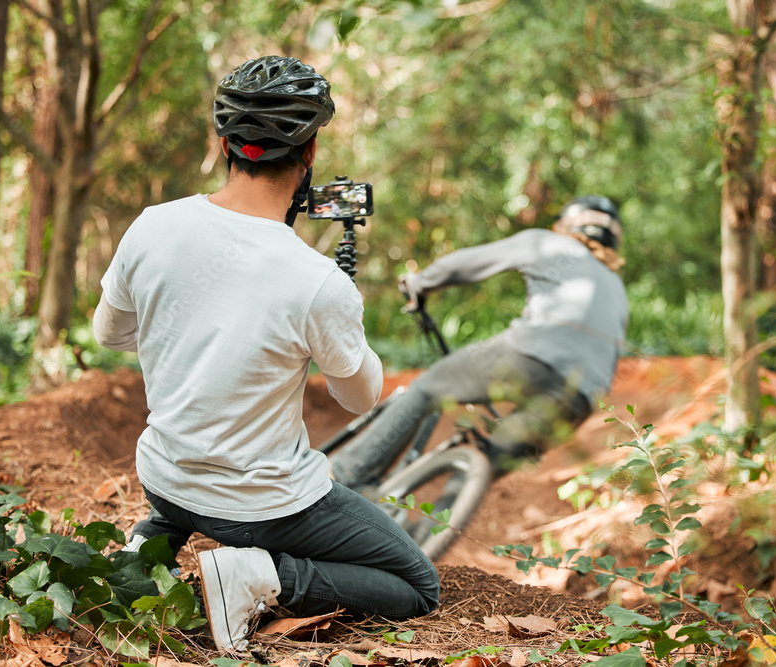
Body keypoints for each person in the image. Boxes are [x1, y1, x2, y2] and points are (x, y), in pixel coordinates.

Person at [92, 55, 439, 652]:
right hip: (260, 508)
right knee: (417, 583)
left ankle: (146, 547)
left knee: (184, 492)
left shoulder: (151, 226)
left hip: (164, 477)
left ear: (224, 142)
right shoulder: (316, 281)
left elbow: (111, 333)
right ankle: (260, 576)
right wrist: (342, 312)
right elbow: (360, 398)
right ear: (308, 156)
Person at [329, 196, 628, 487]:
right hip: (579, 399)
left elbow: (466, 264)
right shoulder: (618, 289)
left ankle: (344, 474)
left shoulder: (550, 243)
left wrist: (420, 284)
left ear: (567, 225)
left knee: (427, 388)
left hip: (529, 356)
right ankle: (431, 530)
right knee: (481, 469)